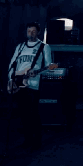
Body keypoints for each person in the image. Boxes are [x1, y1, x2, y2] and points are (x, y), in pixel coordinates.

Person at [7, 22, 53, 151]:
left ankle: (36, 142)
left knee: (33, 113)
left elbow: (50, 66)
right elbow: (11, 64)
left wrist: (37, 72)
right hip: (18, 83)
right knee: (23, 114)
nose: (31, 34)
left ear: (38, 32)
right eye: (29, 31)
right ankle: (27, 141)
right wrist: (11, 79)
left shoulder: (44, 47)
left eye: (33, 31)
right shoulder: (21, 46)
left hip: (33, 84)